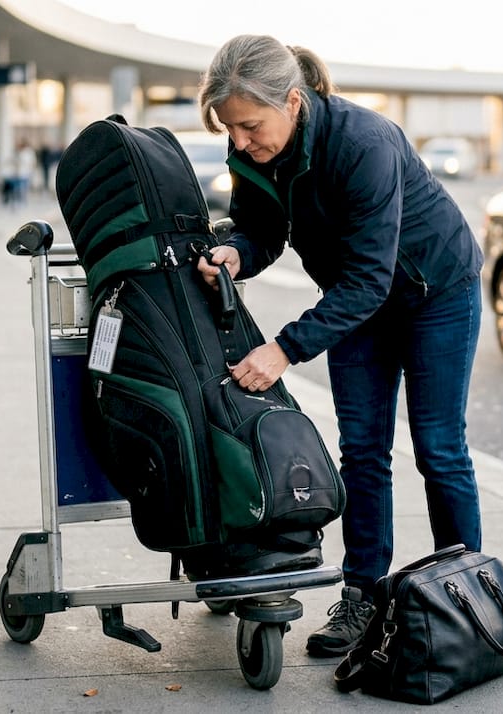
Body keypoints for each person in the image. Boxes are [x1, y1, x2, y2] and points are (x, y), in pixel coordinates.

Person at [195, 35, 485, 658]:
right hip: (359, 301)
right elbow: (263, 230)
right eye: (231, 128)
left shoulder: (365, 143)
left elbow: (370, 279)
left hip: (434, 291)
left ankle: (471, 597)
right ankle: (363, 599)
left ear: (293, 101)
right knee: (363, 450)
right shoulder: (252, 145)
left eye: (250, 125)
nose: (240, 141)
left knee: (438, 449)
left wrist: (285, 349)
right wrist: (236, 252)